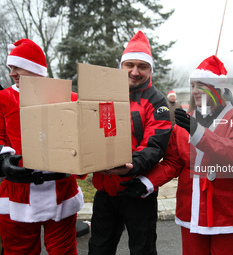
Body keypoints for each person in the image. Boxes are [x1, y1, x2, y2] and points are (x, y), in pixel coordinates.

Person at [119, 55, 233, 255]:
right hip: (191, 207)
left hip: (224, 209)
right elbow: (173, 162)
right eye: (193, 86)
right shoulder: (185, 123)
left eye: (203, 85)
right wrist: (146, 182)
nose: (196, 91)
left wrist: (199, 132)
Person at [88, 30, 172, 255]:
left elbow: (155, 145)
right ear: (121, 67)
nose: (135, 72)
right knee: (98, 248)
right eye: (129, 65)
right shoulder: (103, 95)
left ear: (150, 69)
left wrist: (131, 166)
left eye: (142, 67)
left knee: (142, 250)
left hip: (137, 191)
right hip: (105, 190)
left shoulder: (157, 101)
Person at [0, 39, 84, 254]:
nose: (12, 73)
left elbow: (83, 138)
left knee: (63, 250)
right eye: (11, 68)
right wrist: (4, 160)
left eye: (17, 67)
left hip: (60, 189)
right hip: (18, 192)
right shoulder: (3, 99)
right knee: (19, 251)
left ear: (33, 67)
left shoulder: (69, 97)